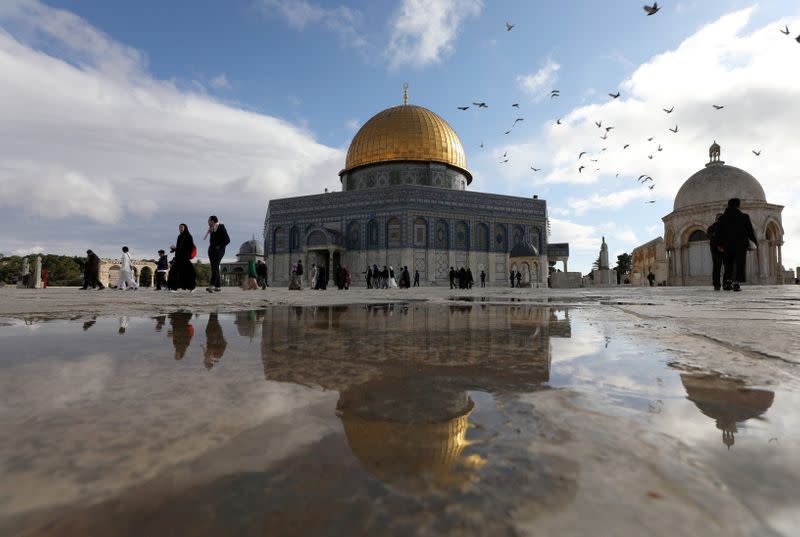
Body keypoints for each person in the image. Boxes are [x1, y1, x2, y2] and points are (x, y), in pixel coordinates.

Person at [718, 198, 758, 292]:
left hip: (727, 245)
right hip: (741, 244)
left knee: (728, 264)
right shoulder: (744, 217)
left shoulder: (722, 218)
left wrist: (719, 244)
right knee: (739, 263)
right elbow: (750, 231)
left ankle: (728, 282)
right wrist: (754, 242)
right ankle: (736, 283)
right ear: (738, 205)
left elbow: (719, 232)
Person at [204, 215, 230, 293]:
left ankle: (212, 285)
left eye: (208, 220)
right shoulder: (212, 228)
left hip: (218, 251)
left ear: (212, 221)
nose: (208, 222)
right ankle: (218, 286)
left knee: (215, 267)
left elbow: (227, 240)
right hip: (212, 251)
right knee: (214, 268)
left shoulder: (220, 227)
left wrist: (219, 246)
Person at [169, 223, 197, 291]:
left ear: (185, 228)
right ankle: (173, 287)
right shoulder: (179, 236)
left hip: (185, 258)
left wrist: (178, 249)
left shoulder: (189, 236)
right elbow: (179, 247)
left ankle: (192, 287)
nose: (180, 229)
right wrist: (174, 249)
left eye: (181, 227)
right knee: (173, 271)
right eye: (179, 227)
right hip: (178, 257)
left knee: (187, 273)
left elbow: (189, 248)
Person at [706, 213, 724, 291]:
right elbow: (710, 236)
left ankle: (727, 283)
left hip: (724, 249)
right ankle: (717, 284)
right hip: (716, 250)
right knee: (717, 267)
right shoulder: (712, 227)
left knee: (728, 266)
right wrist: (718, 246)